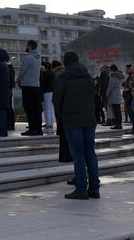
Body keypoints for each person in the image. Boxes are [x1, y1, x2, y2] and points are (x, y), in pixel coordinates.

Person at [54, 51, 100, 200]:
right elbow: (93, 96)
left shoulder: (64, 78)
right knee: (90, 153)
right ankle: (94, 188)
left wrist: (63, 115)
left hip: (72, 121)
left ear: (65, 63)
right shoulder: (88, 77)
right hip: (89, 119)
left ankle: (81, 189)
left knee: (78, 155)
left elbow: (57, 100)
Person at [18, 40, 42, 136]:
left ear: (30, 46)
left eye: (27, 45)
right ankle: (38, 129)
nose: (26, 47)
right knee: (36, 108)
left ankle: (32, 128)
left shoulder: (28, 58)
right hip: (36, 85)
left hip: (27, 85)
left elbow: (22, 71)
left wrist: (18, 80)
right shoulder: (37, 58)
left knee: (29, 108)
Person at [40, 61, 56, 132]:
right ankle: (51, 125)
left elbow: (42, 84)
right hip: (53, 92)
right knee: (51, 110)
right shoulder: (53, 73)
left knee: (47, 110)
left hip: (46, 93)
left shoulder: (44, 74)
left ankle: (48, 126)